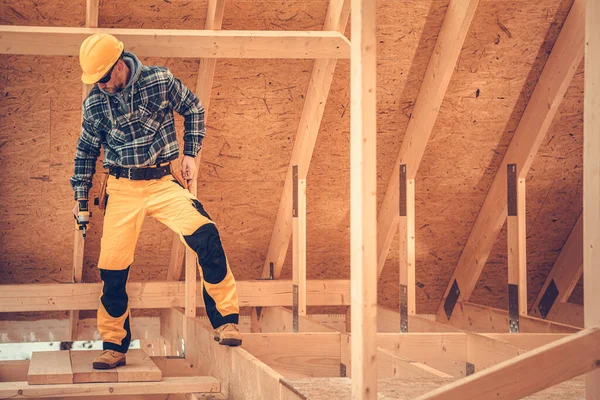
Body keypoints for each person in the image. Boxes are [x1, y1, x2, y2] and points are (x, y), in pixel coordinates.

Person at [70, 33, 242, 370]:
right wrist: (80, 197)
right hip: (121, 187)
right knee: (112, 269)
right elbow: (86, 152)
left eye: (105, 77)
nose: (102, 85)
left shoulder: (159, 81)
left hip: (163, 181)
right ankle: (114, 345)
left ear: (120, 64)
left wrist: (191, 154)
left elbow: (193, 108)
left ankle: (226, 320)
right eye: (96, 81)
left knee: (206, 235)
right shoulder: (94, 104)